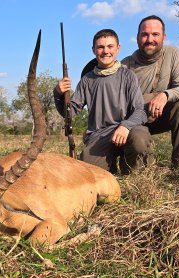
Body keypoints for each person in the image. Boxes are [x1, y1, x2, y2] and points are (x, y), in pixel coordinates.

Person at [81, 16, 179, 169]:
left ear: (164, 37)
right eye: (145, 34)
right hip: (132, 122)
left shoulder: (173, 54)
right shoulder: (125, 66)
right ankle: (126, 157)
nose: (150, 39)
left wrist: (165, 95)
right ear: (137, 37)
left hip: (158, 116)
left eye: (155, 34)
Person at [54, 29, 152, 175]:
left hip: (127, 131)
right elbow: (70, 112)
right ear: (93, 50)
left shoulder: (128, 76)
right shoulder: (86, 80)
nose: (105, 51)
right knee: (87, 173)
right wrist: (58, 94)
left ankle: (132, 173)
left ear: (118, 48)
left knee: (139, 138)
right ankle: (109, 167)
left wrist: (125, 126)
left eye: (110, 46)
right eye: (100, 47)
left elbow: (140, 111)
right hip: (99, 136)